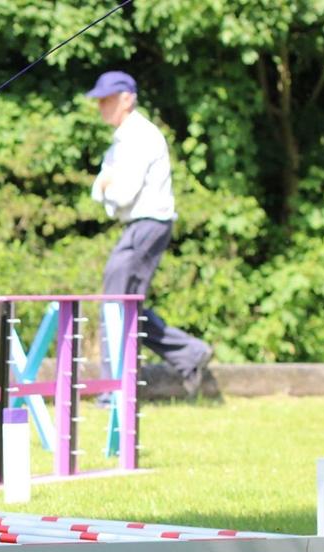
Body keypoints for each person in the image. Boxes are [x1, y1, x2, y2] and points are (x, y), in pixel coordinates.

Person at [85, 70, 214, 399]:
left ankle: (114, 388)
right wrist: (104, 186)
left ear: (127, 98)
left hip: (147, 223)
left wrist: (105, 186)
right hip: (140, 224)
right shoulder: (123, 138)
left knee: (115, 302)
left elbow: (119, 193)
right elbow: (98, 189)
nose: (101, 106)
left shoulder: (138, 136)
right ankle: (189, 353)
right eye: (99, 100)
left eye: (107, 99)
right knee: (124, 304)